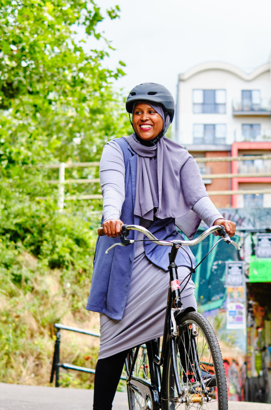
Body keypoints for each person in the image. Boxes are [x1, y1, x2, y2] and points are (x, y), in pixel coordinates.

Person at [86, 83, 236, 410]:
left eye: (151, 112)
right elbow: (112, 189)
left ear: (165, 118)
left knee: (183, 277)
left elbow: (198, 197)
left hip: (166, 242)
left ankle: (185, 356)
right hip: (127, 244)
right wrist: (111, 217)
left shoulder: (180, 157)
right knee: (115, 342)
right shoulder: (116, 150)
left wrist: (217, 220)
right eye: (138, 112)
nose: (143, 118)